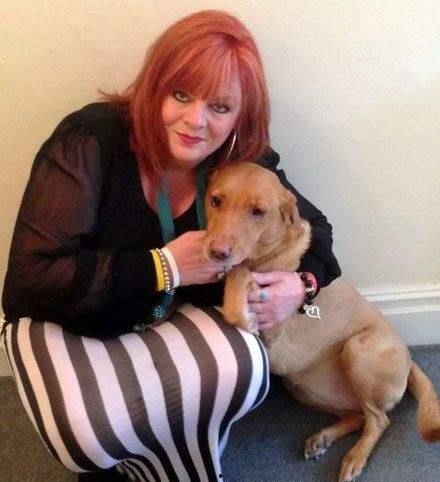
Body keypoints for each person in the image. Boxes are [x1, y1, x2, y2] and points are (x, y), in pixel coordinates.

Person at [1, 9, 341, 482]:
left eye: (220, 107)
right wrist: (165, 267)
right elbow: (28, 282)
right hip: (72, 317)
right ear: (155, 86)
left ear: (239, 116)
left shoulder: (237, 157)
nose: (195, 120)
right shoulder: (92, 141)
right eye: (181, 94)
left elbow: (316, 228)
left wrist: (302, 286)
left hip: (160, 315)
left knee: (243, 372)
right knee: (89, 435)